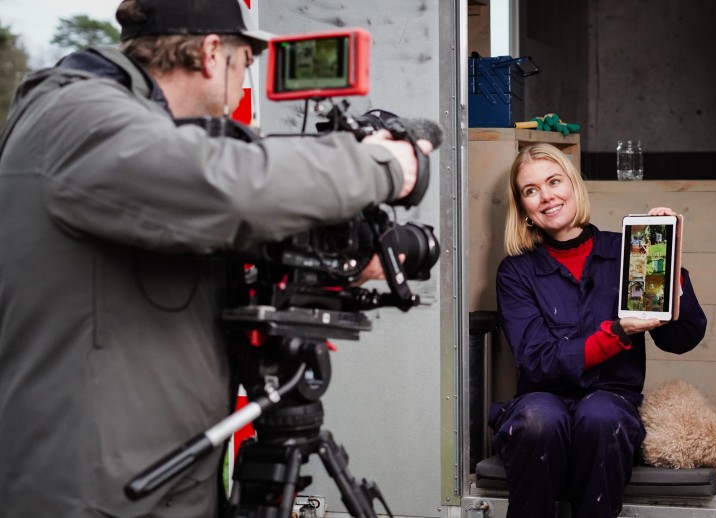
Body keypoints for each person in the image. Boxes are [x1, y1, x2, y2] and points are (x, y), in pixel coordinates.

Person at [0, 0, 433, 516]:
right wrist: (380, 166)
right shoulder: (78, 117)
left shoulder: (122, 135)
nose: (239, 85)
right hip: (96, 493)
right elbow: (224, 188)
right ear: (212, 54)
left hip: (147, 475)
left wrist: (339, 256)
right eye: (245, 64)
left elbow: (187, 239)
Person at [489, 143, 707, 518]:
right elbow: (537, 360)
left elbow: (681, 340)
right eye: (531, 190)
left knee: (601, 416)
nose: (546, 196)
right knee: (540, 418)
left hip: (611, 398)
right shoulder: (516, 272)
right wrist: (617, 334)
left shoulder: (629, 251)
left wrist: (668, 266)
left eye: (554, 181)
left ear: (573, 186)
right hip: (542, 396)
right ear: (523, 208)